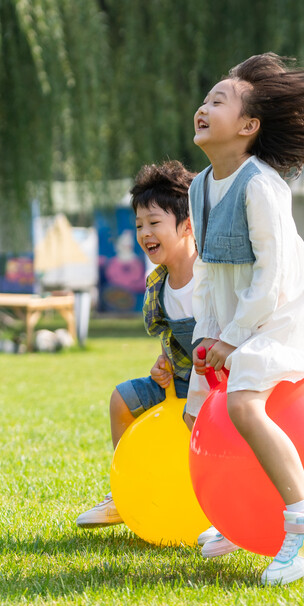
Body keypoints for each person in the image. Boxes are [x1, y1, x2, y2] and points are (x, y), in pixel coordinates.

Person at [186, 52, 304, 585]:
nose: (203, 105)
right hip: (227, 319)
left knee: (242, 402)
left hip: (274, 318)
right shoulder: (199, 187)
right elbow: (211, 272)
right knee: (198, 416)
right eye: (205, 97)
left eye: (220, 100)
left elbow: (275, 277)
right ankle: (241, 516)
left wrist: (238, 337)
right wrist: (210, 334)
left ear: (248, 126)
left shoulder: (262, 185)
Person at [76, 160, 200, 528]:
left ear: (187, 225)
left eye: (154, 223)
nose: (145, 233)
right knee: (122, 401)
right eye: (139, 226)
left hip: (219, 387)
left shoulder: (210, 276)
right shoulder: (157, 283)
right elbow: (171, 338)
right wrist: (163, 362)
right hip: (179, 384)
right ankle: (124, 492)